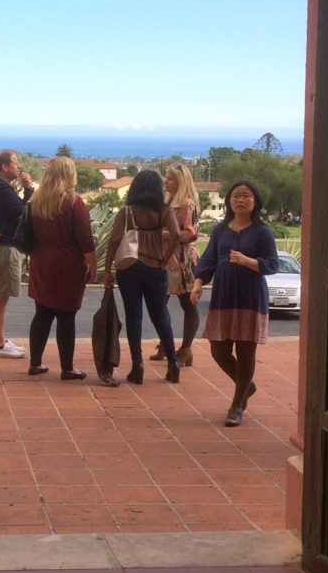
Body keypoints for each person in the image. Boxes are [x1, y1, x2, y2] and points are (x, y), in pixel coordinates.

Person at [190, 180, 279, 427]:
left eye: (246, 196)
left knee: (246, 351)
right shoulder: (220, 230)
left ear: (255, 201)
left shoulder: (263, 232)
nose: (240, 200)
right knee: (219, 349)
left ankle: (237, 404)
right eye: (236, 196)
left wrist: (248, 261)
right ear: (229, 201)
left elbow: (272, 265)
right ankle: (246, 385)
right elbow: (208, 260)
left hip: (250, 297)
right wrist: (198, 282)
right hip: (224, 296)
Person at [103, 170, 182, 385]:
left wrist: (108, 270)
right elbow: (176, 235)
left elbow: (113, 241)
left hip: (130, 267)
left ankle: (137, 367)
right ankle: (173, 364)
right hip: (156, 267)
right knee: (161, 316)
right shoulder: (164, 211)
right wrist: (165, 259)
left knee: (134, 317)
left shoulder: (126, 211)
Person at [26, 156, 97, 380]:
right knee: (66, 317)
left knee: (42, 314)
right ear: (69, 174)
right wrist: (93, 266)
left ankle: (35, 363)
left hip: (41, 262)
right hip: (67, 265)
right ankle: (68, 368)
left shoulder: (36, 201)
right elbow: (86, 239)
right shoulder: (74, 203)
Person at [0, 149, 33, 358]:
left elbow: (16, 210)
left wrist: (23, 190)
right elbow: (24, 213)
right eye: (15, 163)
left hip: (2, 245)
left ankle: (1, 341)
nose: (19, 166)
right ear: (4, 167)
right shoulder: (3, 190)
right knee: (1, 296)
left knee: (1, 295)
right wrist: (29, 190)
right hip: (5, 247)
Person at [150, 164, 200, 367]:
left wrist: (160, 233)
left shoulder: (188, 205)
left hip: (183, 261)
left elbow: (190, 233)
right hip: (167, 259)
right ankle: (167, 344)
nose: (165, 182)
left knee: (187, 304)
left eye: (169, 179)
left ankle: (186, 348)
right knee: (159, 304)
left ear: (180, 182)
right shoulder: (169, 203)